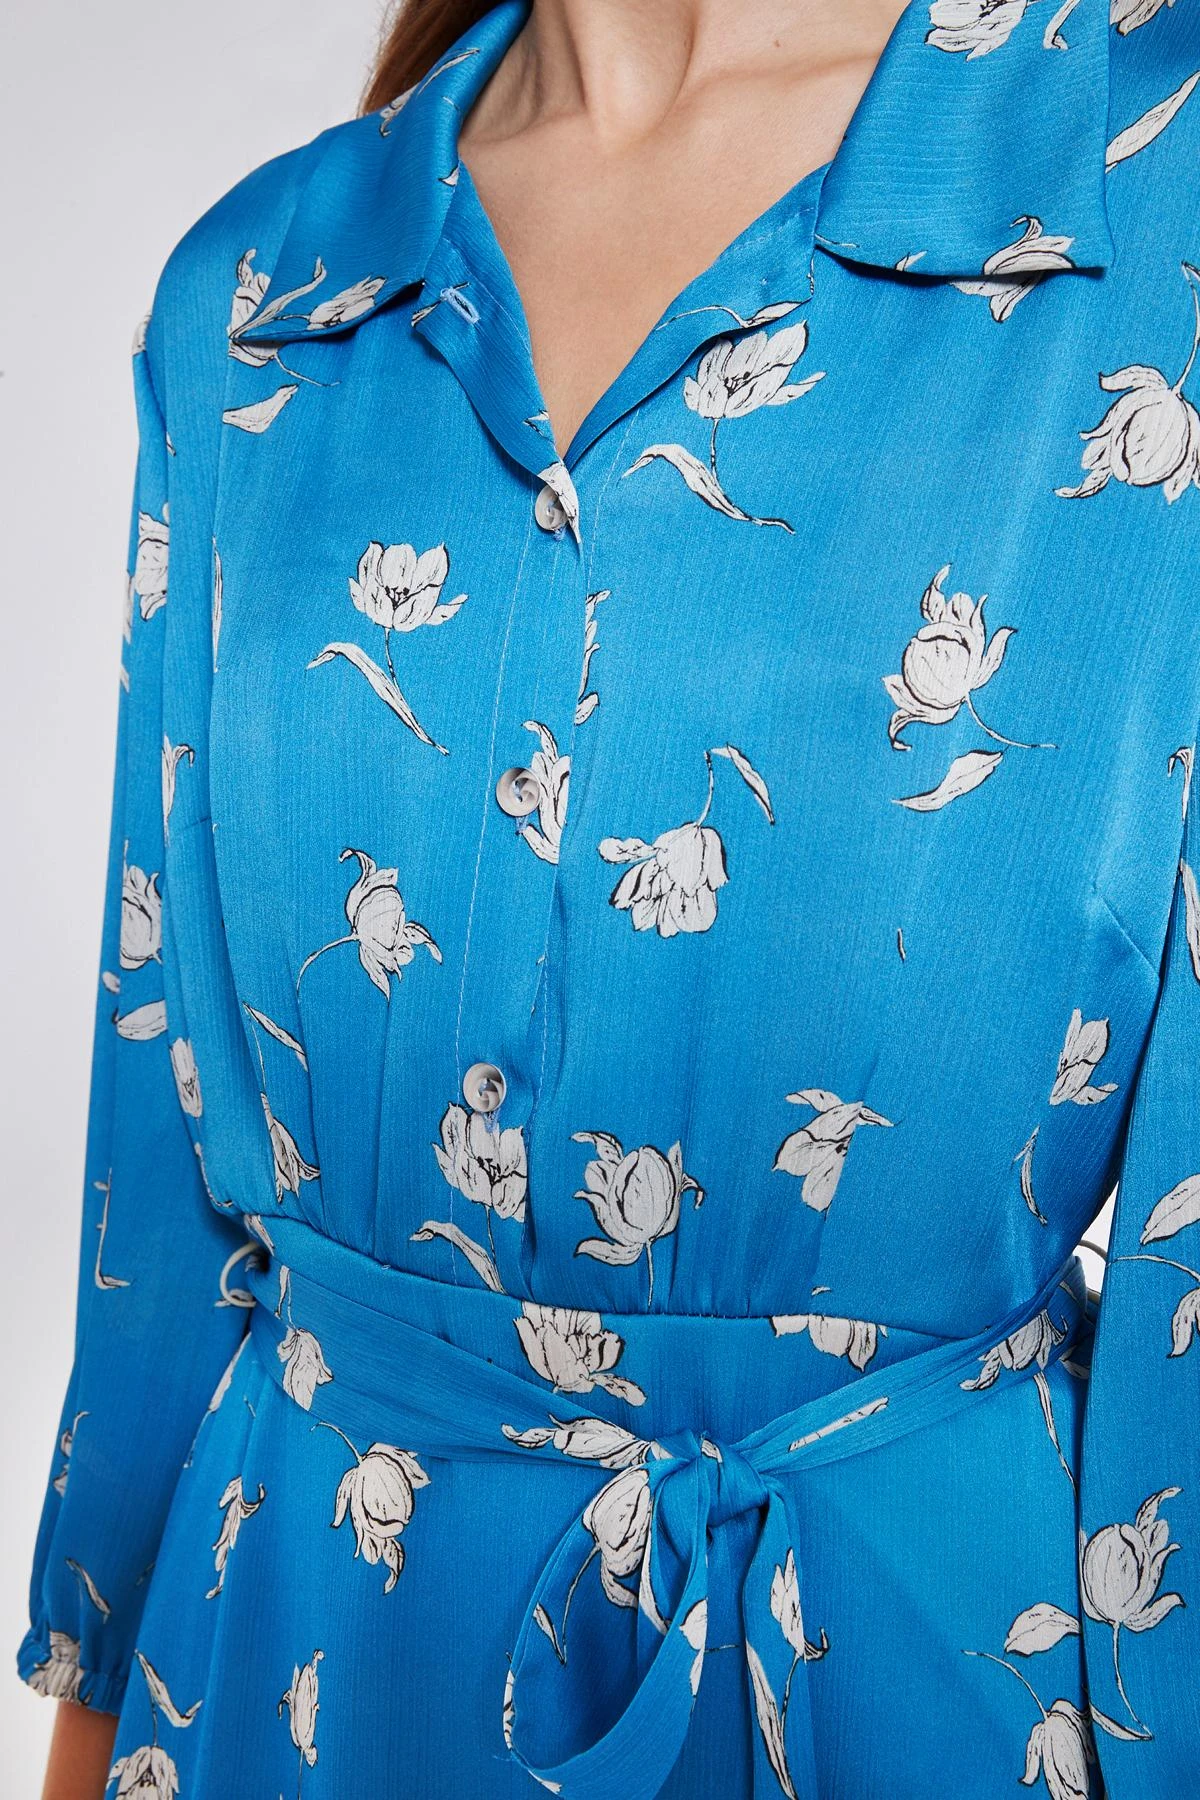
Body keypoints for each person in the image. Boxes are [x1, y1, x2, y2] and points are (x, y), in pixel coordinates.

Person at [20, 0, 1200, 1794]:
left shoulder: (1149, 192)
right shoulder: (266, 288)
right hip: (292, 1660)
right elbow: (159, 1189)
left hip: (905, 1679)